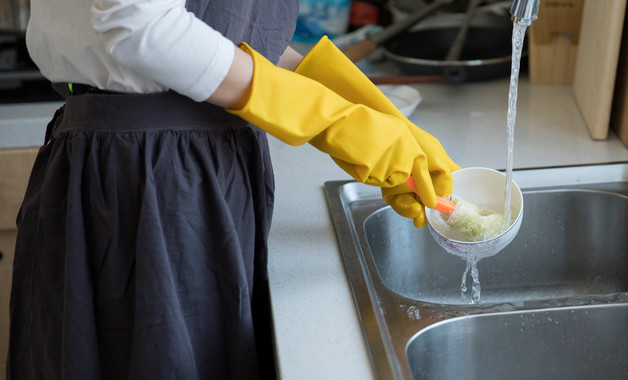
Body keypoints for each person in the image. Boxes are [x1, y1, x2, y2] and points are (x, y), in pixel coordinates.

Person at [8, 0, 458, 379]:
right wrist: (325, 118)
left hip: (190, 162)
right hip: (148, 175)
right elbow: (140, 27)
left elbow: (215, 33)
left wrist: (363, 108)